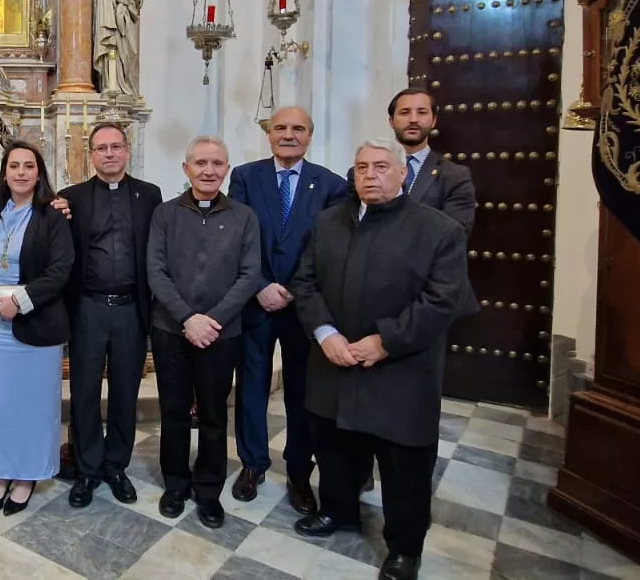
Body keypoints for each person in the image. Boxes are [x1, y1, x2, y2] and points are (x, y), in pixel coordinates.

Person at [290, 137, 475, 580]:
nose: (369, 175)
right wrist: (324, 332)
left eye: (380, 167)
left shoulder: (438, 230)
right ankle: (339, 511)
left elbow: (442, 300)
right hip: (334, 361)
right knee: (334, 447)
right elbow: (305, 282)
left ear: (402, 174)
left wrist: (384, 341)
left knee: (402, 465)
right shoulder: (328, 222)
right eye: (361, 168)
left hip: (399, 370)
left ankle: (404, 547)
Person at [227, 108, 348, 511]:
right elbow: (238, 236)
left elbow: (328, 247)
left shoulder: (331, 184)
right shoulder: (245, 177)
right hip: (255, 302)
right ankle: (253, 464)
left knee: (302, 393)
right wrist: (260, 285)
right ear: (269, 134)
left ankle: (299, 473)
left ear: (310, 136)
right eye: (280, 128)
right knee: (252, 388)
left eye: (298, 129)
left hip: (303, 308)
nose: (288, 135)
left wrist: (294, 290)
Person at [145, 136, 262, 528]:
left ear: (226, 169)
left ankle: (208, 490)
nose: (208, 170)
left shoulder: (245, 216)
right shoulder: (165, 214)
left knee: (213, 413)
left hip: (222, 333)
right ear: (186, 168)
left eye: (217, 164)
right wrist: (186, 318)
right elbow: (155, 272)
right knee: (174, 411)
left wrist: (211, 320)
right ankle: (175, 484)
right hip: (170, 330)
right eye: (200, 163)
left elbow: (249, 276)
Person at [60, 123, 161, 508]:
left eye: (116, 146)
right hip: (87, 308)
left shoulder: (149, 195)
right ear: (91, 155)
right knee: (84, 393)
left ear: (127, 150)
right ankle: (87, 470)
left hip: (131, 309)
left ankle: (116, 465)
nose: (109, 154)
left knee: (125, 393)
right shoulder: (71, 198)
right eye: (101, 148)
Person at [0, 142, 73, 514]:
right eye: (13, 165)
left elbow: (60, 270)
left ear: (38, 172)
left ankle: (27, 475)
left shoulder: (51, 215)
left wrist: (20, 302)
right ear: (4, 172)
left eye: (28, 166)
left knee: (34, 406)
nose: (20, 172)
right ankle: (1, 473)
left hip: (36, 322)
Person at [387, 88, 475, 232]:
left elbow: (455, 234)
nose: (413, 119)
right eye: (405, 112)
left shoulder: (455, 176)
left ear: (433, 121)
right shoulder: (366, 172)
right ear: (391, 122)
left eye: (421, 112)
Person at [93, 0, 143, 97]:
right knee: (110, 51)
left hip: (124, 27)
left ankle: (122, 85)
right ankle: (111, 85)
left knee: (124, 55)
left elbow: (133, 2)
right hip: (110, 26)